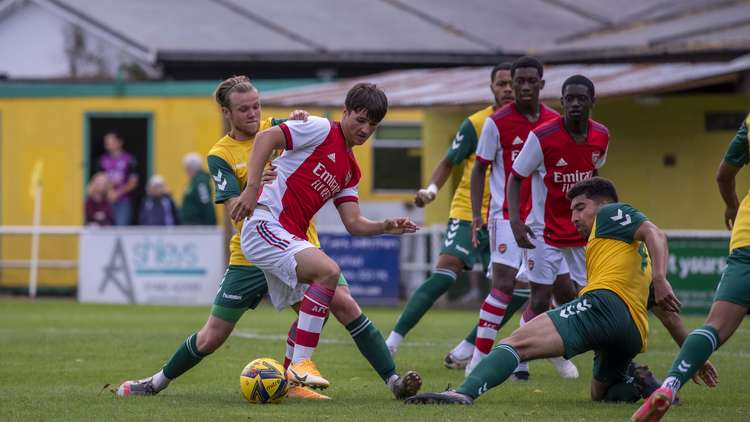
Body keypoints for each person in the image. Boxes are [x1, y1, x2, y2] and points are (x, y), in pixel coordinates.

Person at [116, 76, 325, 400]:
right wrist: (254, 184)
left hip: (290, 247)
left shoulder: (275, 128)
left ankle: (295, 383)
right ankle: (155, 383)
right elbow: (235, 211)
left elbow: (316, 135)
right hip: (250, 253)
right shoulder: (220, 154)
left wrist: (302, 119)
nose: (253, 114)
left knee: (320, 307)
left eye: (256, 106)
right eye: (244, 109)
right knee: (211, 337)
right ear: (227, 113)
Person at [405, 177, 683, 405]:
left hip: (604, 307)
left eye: (580, 207)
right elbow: (669, 316)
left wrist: (661, 278)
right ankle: (642, 385)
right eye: (571, 209)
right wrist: (695, 360)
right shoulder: (630, 255)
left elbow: (655, 232)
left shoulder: (611, 213)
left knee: (515, 343)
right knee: (601, 395)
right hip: (633, 334)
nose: (573, 216)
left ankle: (463, 393)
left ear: (605, 204)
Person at [231, 82, 421, 399]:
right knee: (328, 272)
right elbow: (265, 138)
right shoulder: (320, 129)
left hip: (287, 236)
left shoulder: (350, 170)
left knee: (344, 306)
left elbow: (354, 223)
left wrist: (386, 226)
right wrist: (251, 188)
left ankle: (394, 382)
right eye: (359, 120)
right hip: (264, 222)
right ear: (344, 112)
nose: (365, 129)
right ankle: (301, 363)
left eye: (372, 125)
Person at [384, 62, 530, 368]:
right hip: (469, 210)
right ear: (491, 88)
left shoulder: (534, 125)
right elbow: (450, 161)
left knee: (519, 287)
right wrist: (431, 190)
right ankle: (392, 342)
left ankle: (467, 348)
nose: (506, 89)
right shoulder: (477, 123)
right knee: (446, 268)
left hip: (511, 215)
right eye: (500, 83)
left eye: (510, 83)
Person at [630, 113, 750, 421]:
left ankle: (668, 386)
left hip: (747, 238)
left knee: (714, 327)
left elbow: (724, 175)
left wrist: (732, 205)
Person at [463, 56, 577, 379]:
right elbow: (479, 169)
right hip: (505, 217)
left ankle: (533, 350)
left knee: (563, 293)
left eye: (531, 81)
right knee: (502, 287)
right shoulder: (495, 123)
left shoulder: (555, 122)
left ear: (542, 84)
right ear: (511, 86)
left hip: (546, 221)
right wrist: (476, 216)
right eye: (519, 81)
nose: (525, 86)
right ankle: (476, 363)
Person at [98, 132, 138, 225]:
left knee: (121, 229)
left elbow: (133, 182)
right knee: (105, 228)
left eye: (111, 141)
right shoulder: (102, 160)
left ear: (119, 142)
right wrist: (109, 191)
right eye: (106, 142)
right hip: (106, 200)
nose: (108, 144)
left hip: (124, 201)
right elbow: (98, 180)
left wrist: (118, 193)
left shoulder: (129, 159)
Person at [180, 153, 217, 225]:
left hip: (199, 225)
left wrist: (210, 225)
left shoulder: (201, 182)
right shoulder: (195, 181)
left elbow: (205, 203)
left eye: (187, 169)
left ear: (191, 168)